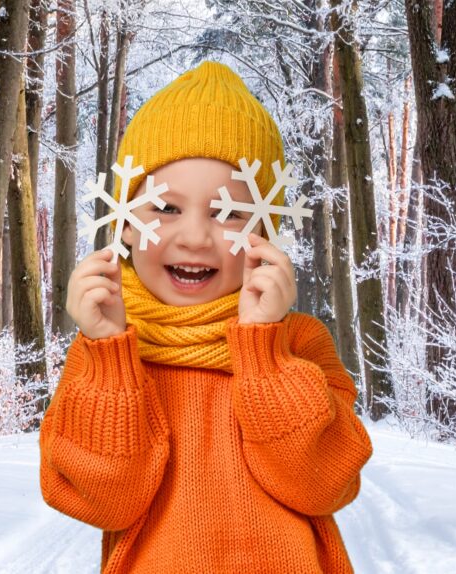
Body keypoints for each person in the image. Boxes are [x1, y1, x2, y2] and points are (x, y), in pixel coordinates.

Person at [39, 60, 373, 573]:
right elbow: (106, 501)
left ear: (266, 228)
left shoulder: (299, 343)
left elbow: (324, 485)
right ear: (125, 223)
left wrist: (263, 350)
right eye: (166, 209)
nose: (195, 237)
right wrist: (108, 353)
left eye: (229, 213)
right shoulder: (107, 354)